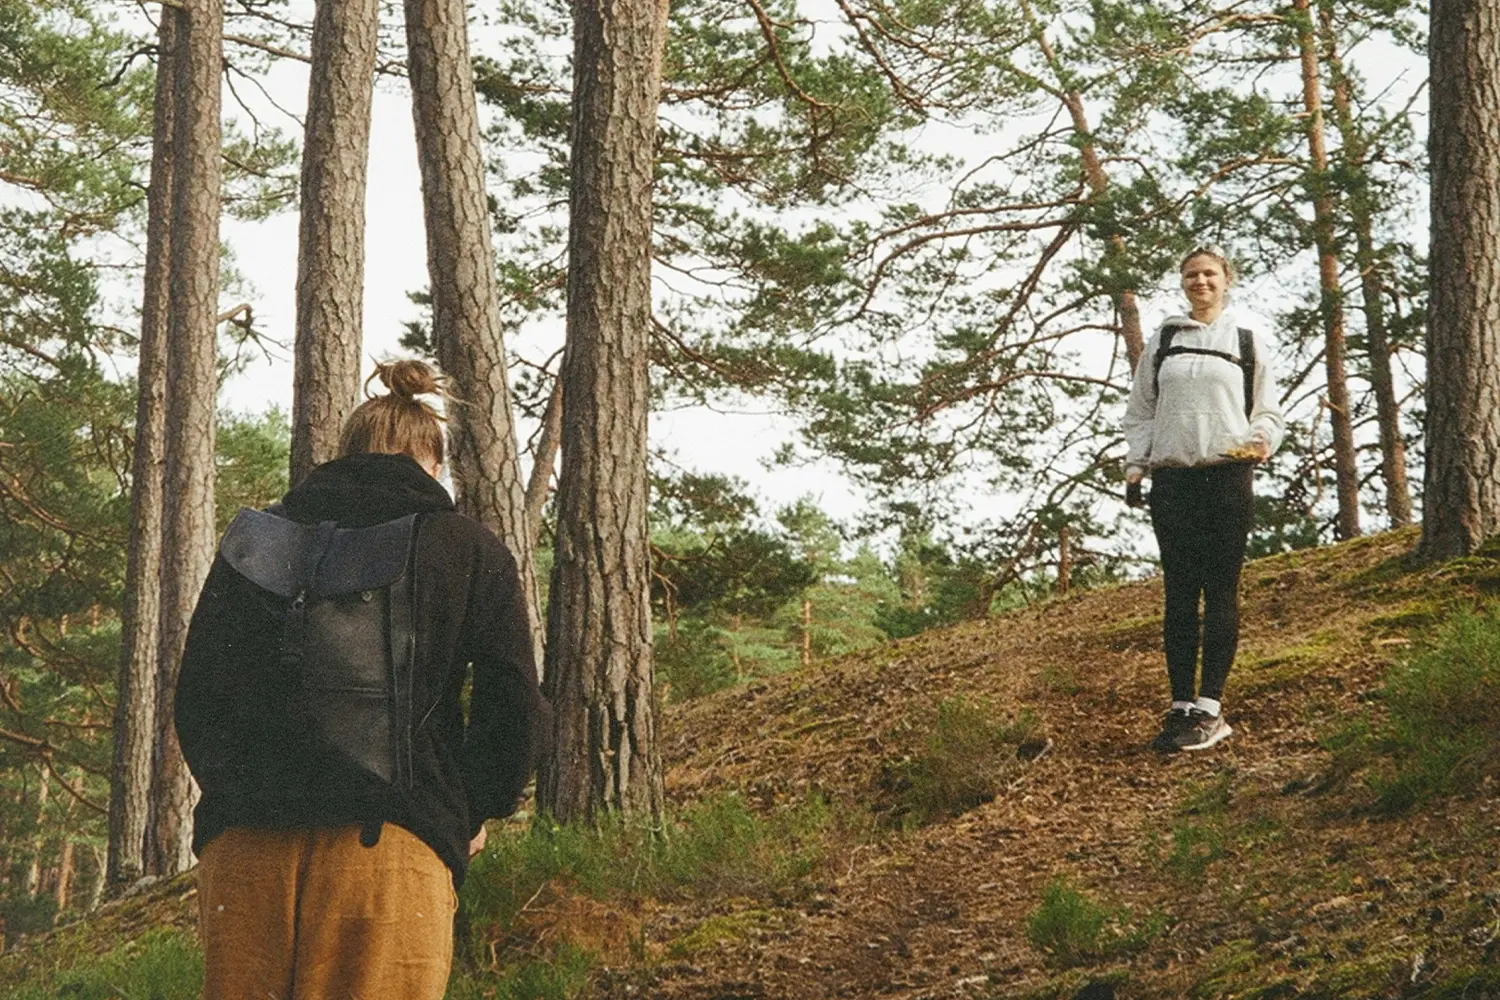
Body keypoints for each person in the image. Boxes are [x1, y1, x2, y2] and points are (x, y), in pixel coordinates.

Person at [176, 359, 549, 999]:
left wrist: (242, 795)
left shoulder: (251, 542)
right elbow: (513, 703)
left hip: (245, 849)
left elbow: (199, 696)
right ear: (433, 465)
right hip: (392, 848)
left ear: (343, 455)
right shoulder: (466, 546)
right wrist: (471, 807)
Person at [1122, 246, 1284, 752]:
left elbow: (1268, 411)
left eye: (1210, 274)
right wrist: (1135, 464)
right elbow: (1141, 410)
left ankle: (1211, 707)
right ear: (1182, 282)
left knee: (1219, 589)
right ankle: (1179, 706)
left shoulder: (1246, 340)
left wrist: (1260, 442)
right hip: (1173, 482)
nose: (1201, 282)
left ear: (1226, 280)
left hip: (1227, 477)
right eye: (1192, 275)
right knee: (1178, 593)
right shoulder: (1165, 340)